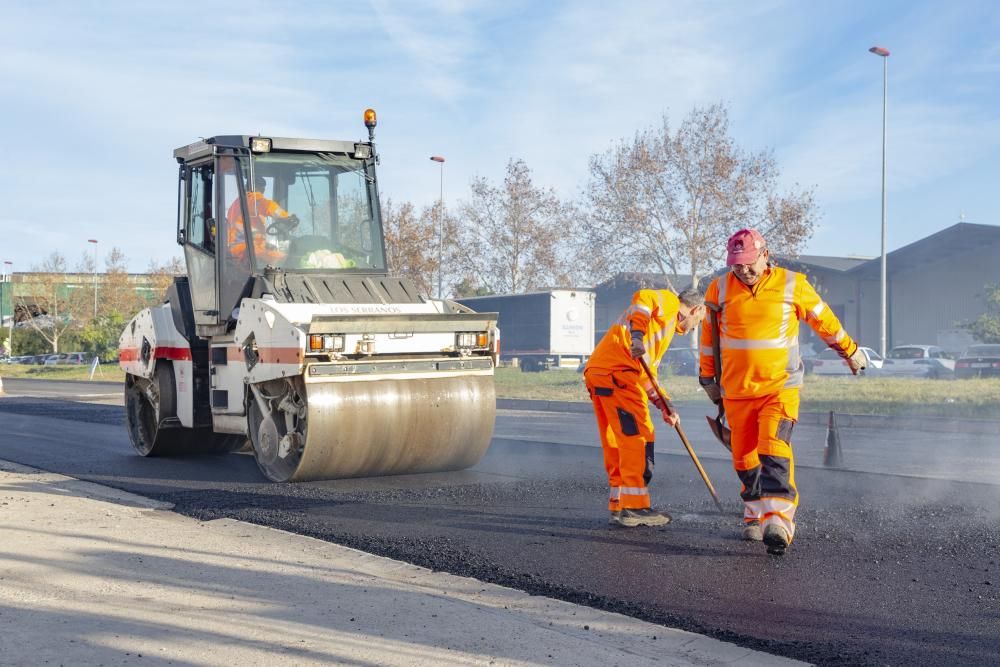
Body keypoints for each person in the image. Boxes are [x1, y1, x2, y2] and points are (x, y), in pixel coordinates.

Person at [698, 228, 867, 555]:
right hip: (736, 390)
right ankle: (755, 513)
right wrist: (708, 379)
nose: (742, 269)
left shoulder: (792, 284)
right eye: (735, 264)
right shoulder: (718, 290)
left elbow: (824, 320)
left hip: (780, 387)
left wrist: (850, 351)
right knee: (744, 456)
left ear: (765, 255)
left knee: (773, 448)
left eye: (748, 262)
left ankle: (778, 521)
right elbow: (709, 339)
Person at [583, 287, 707, 527]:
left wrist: (664, 404)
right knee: (638, 437)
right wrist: (637, 337)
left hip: (602, 373)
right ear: (697, 309)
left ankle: (619, 504)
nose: (696, 326)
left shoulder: (662, 327)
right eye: (700, 320)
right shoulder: (670, 303)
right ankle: (635, 508)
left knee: (619, 441)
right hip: (618, 375)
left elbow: (646, 376)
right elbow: (643, 298)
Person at [227, 175, 297, 265]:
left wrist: (267, 245)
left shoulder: (235, 205)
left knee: (276, 254)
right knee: (284, 259)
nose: (263, 193)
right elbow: (268, 206)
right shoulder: (251, 199)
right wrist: (286, 217)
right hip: (247, 252)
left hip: (241, 250)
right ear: (255, 188)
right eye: (262, 190)